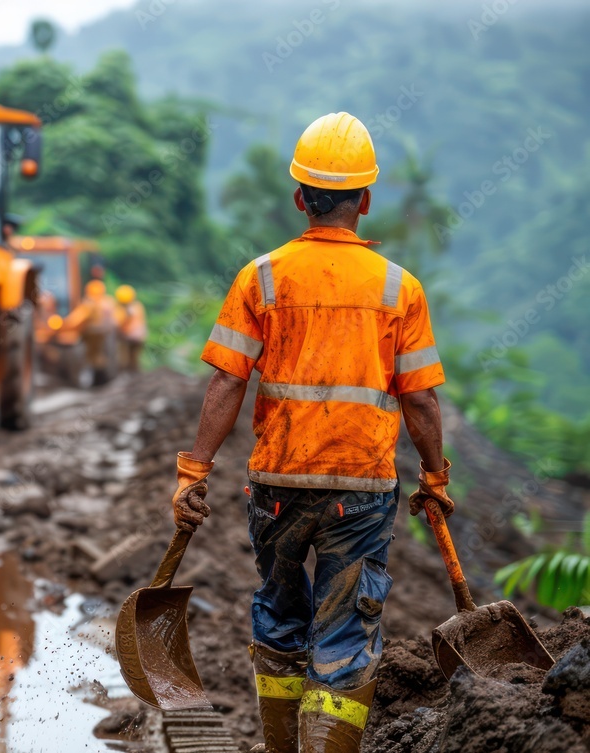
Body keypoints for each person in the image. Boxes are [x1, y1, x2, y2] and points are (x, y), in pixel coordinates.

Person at [172, 112, 451, 753]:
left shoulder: (261, 276)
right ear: (367, 201)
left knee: (278, 613)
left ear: (300, 198)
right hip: (360, 490)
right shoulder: (397, 289)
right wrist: (434, 477)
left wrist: (195, 472)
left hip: (276, 485)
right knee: (346, 633)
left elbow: (226, 383)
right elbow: (422, 401)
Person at [115, 284, 147, 372]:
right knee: (134, 359)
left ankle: (128, 374)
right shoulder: (138, 306)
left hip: (127, 337)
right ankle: (135, 374)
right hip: (139, 337)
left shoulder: (122, 309)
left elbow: (119, 324)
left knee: (124, 359)